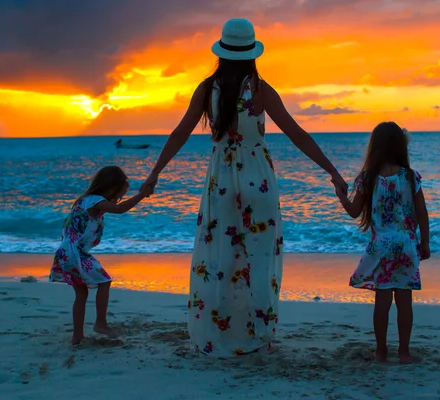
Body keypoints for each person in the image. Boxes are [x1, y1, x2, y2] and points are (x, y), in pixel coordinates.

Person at [141, 18, 347, 357]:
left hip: (222, 180)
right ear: (252, 53)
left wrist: (154, 172)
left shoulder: (207, 89)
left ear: (222, 52)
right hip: (259, 179)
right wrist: (333, 171)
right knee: (260, 258)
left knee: (222, 255)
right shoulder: (262, 90)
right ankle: (257, 334)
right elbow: (297, 134)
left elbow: (179, 133)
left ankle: (218, 336)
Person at [333, 122, 430, 364]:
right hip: (406, 245)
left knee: (383, 302)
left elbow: (355, 212)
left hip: (381, 246)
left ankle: (381, 352)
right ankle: (404, 352)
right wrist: (425, 243)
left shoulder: (368, 178)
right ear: (400, 146)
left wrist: (341, 196)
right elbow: (422, 213)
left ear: (374, 147)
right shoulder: (410, 177)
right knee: (405, 301)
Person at [50, 166, 154, 345]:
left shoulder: (85, 200)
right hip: (75, 253)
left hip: (66, 252)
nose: (117, 198)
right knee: (104, 281)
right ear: (111, 186)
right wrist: (141, 195)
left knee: (81, 295)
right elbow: (120, 209)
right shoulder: (95, 201)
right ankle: (100, 323)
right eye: (118, 193)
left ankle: (77, 336)